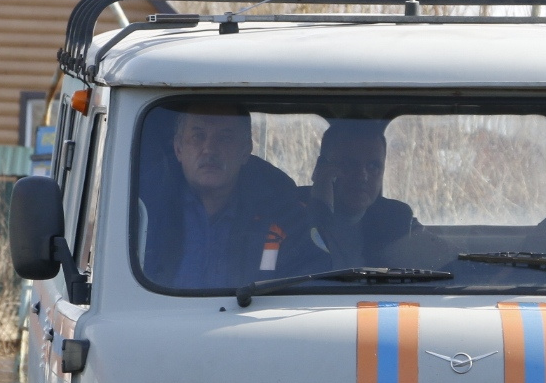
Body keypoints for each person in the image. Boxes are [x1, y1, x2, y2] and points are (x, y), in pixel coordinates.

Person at [140, 105, 323, 289]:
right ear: (178, 148)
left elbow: (310, 288)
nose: (209, 149)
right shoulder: (142, 212)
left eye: (225, 138)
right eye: (198, 136)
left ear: (245, 150)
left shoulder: (283, 217)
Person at [302, 120, 424, 267]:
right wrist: (320, 208)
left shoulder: (398, 219)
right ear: (320, 167)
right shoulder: (292, 215)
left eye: (373, 166)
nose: (362, 176)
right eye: (349, 165)